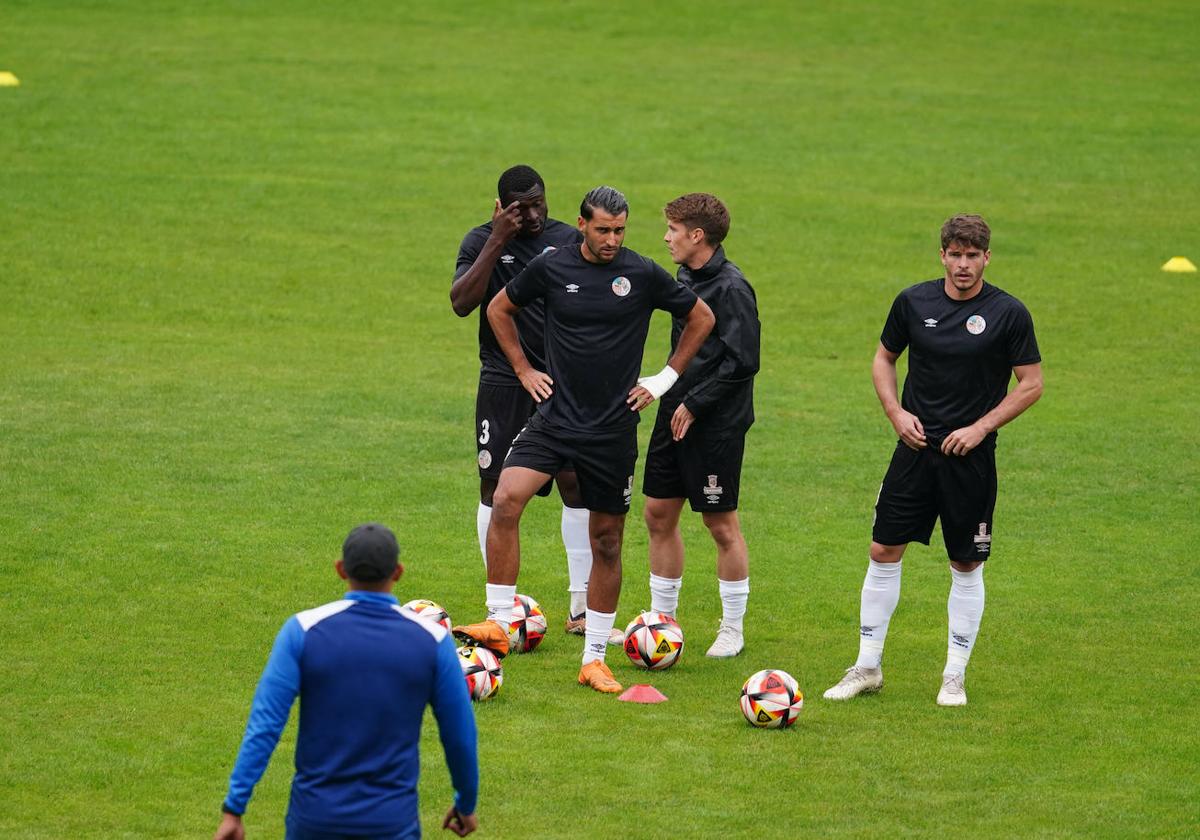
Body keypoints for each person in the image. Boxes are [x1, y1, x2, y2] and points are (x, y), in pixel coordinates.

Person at [453, 186, 715, 694]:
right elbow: (497, 310)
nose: (613, 239)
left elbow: (701, 317)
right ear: (581, 224)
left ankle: (594, 657)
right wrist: (524, 369)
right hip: (553, 421)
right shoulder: (553, 268)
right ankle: (500, 622)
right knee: (506, 500)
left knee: (607, 542)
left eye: (620, 230)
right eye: (603, 230)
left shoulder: (640, 272)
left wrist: (663, 380)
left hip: (611, 432)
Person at [823, 214, 1044, 707]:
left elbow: (1031, 383)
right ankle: (866, 666)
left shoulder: (1008, 313)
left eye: (973, 256)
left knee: (965, 562)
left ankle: (953, 676)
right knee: (883, 551)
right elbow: (884, 357)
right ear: (941, 254)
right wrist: (895, 412)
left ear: (987, 258)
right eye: (955, 255)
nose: (963, 265)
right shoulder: (913, 301)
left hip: (970, 460)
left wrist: (981, 427)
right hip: (914, 451)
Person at [214, 523, 479, 839]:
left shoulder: (301, 631)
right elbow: (459, 735)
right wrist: (465, 803)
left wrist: (235, 808)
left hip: (313, 821)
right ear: (398, 572)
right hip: (392, 824)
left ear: (341, 570)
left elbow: (265, 725)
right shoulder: (433, 640)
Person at [450, 165, 594, 633]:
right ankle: (499, 610)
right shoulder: (479, 242)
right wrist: (497, 240)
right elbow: (461, 302)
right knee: (494, 489)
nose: (532, 214)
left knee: (576, 484)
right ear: (501, 207)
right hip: (504, 383)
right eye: (520, 207)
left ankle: (581, 608)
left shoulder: (569, 240)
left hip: (560, 384)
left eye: (538, 202)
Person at [637, 193, 760, 659]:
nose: (665, 237)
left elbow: (744, 360)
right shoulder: (685, 276)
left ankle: (732, 628)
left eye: (672, 229)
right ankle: (662, 621)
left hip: (716, 423)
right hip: (676, 412)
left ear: (697, 236)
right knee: (657, 514)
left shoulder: (732, 288)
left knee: (719, 522)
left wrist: (697, 403)